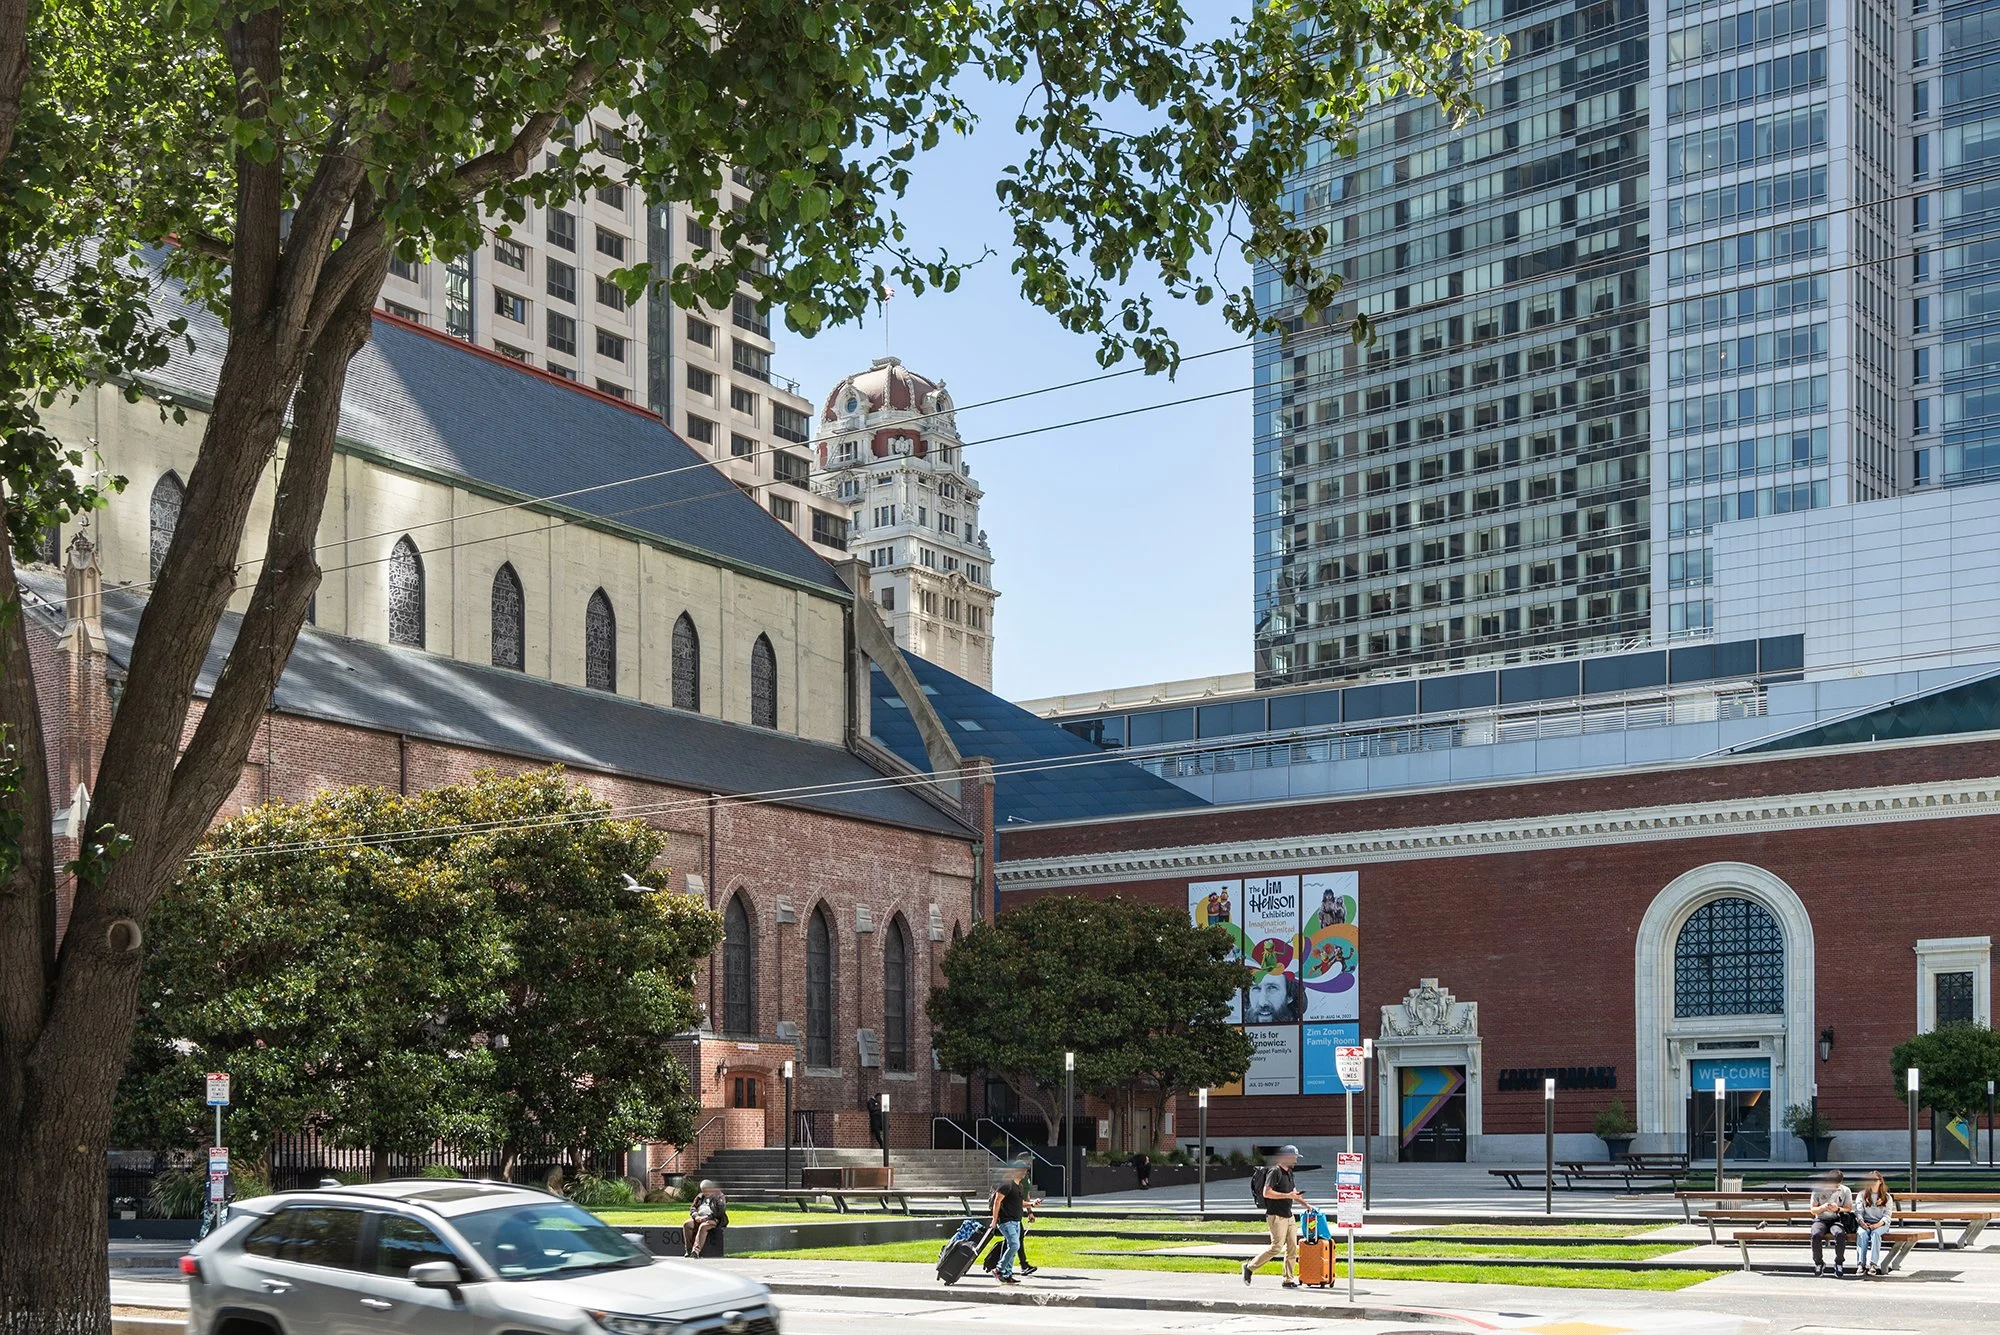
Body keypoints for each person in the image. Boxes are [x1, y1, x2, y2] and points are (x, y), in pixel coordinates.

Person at [1242, 1145, 1310, 1289]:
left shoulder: (1290, 1173)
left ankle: (1288, 1280)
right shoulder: (1275, 1172)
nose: (1295, 1160)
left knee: (1292, 1247)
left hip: (1289, 1215)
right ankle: (1249, 1267)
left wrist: (1307, 1205)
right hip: (1276, 1216)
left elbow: (1294, 1192)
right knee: (1276, 1247)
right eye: (1294, 1157)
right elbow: (1267, 1193)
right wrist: (1288, 1196)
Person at [988, 1160, 1031, 1285]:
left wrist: (1032, 1205)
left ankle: (1007, 1274)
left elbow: (1020, 1203)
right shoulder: (1007, 1184)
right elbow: (997, 1201)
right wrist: (994, 1220)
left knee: (1011, 1248)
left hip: (1016, 1221)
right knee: (1014, 1245)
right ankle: (999, 1269)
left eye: (1025, 1170)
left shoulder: (1019, 1186)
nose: (1024, 1172)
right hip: (1006, 1221)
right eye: (1021, 1170)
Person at [1807, 1168, 1855, 1278]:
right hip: (1821, 1219)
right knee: (1815, 1234)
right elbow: (1813, 1210)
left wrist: (1838, 1209)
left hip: (1837, 1219)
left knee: (1840, 1234)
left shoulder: (1845, 1190)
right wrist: (1823, 1207)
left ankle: (1839, 1262)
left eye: (1837, 1185)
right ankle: (1819, 1263)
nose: (1835, 1187)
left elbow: (1848, 1208)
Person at [1854, 1171, 1896, 1276]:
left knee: (1876, 1234)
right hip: (1865, 1222)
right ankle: (1861, 1264)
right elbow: (1858, 1212)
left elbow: (1887, 1215)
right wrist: (1862, 1223)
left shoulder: (1886, 1197)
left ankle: (1873, 1264)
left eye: (1875, 1180)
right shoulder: (1862, 1195)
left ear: (1880, 1181)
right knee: (1862, 1234)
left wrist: (1877, 1225)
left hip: (1881, 1224)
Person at [681, 1180, 728, 1258]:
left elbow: (719, 1211)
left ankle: (696, 1251)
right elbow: (693, 1208)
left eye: (707, 1191)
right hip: (699, 1217)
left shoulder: (719, 1196)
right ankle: (688, 1250)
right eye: (703, 1191)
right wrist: (696, 1216)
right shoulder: (700, 1196)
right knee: (687, 1224)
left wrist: (707, 1217)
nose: (705, 1193)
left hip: (714, 1219)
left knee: (703, 1226)